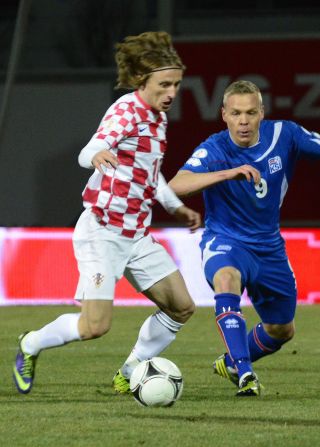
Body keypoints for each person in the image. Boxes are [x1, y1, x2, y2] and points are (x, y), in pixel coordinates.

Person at [12, 31, 201, 395]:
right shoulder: (126, 111)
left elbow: (149, 171)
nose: (172, 93)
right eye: (164, 84)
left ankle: (130, 371)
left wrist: (175, 206)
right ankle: (30, 344)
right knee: (95, 326)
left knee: (181, 306)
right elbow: (91, 149)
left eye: (176, 84)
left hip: (136, 233)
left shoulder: (157, 118)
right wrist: (97, 155)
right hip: (103, 231)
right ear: (142, 81)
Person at [168, 80, 320, 396]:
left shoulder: (284, 135)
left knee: (281, 329)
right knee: (226, 279)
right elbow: (175, 185)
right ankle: (246, 374)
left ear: (262, 113)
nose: (243, 121)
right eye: (235, 113)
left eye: (250, 112)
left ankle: (232, 362)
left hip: (269, 248)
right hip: (226, 241)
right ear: (224, 115)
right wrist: (228, 173)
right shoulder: (215, 148)